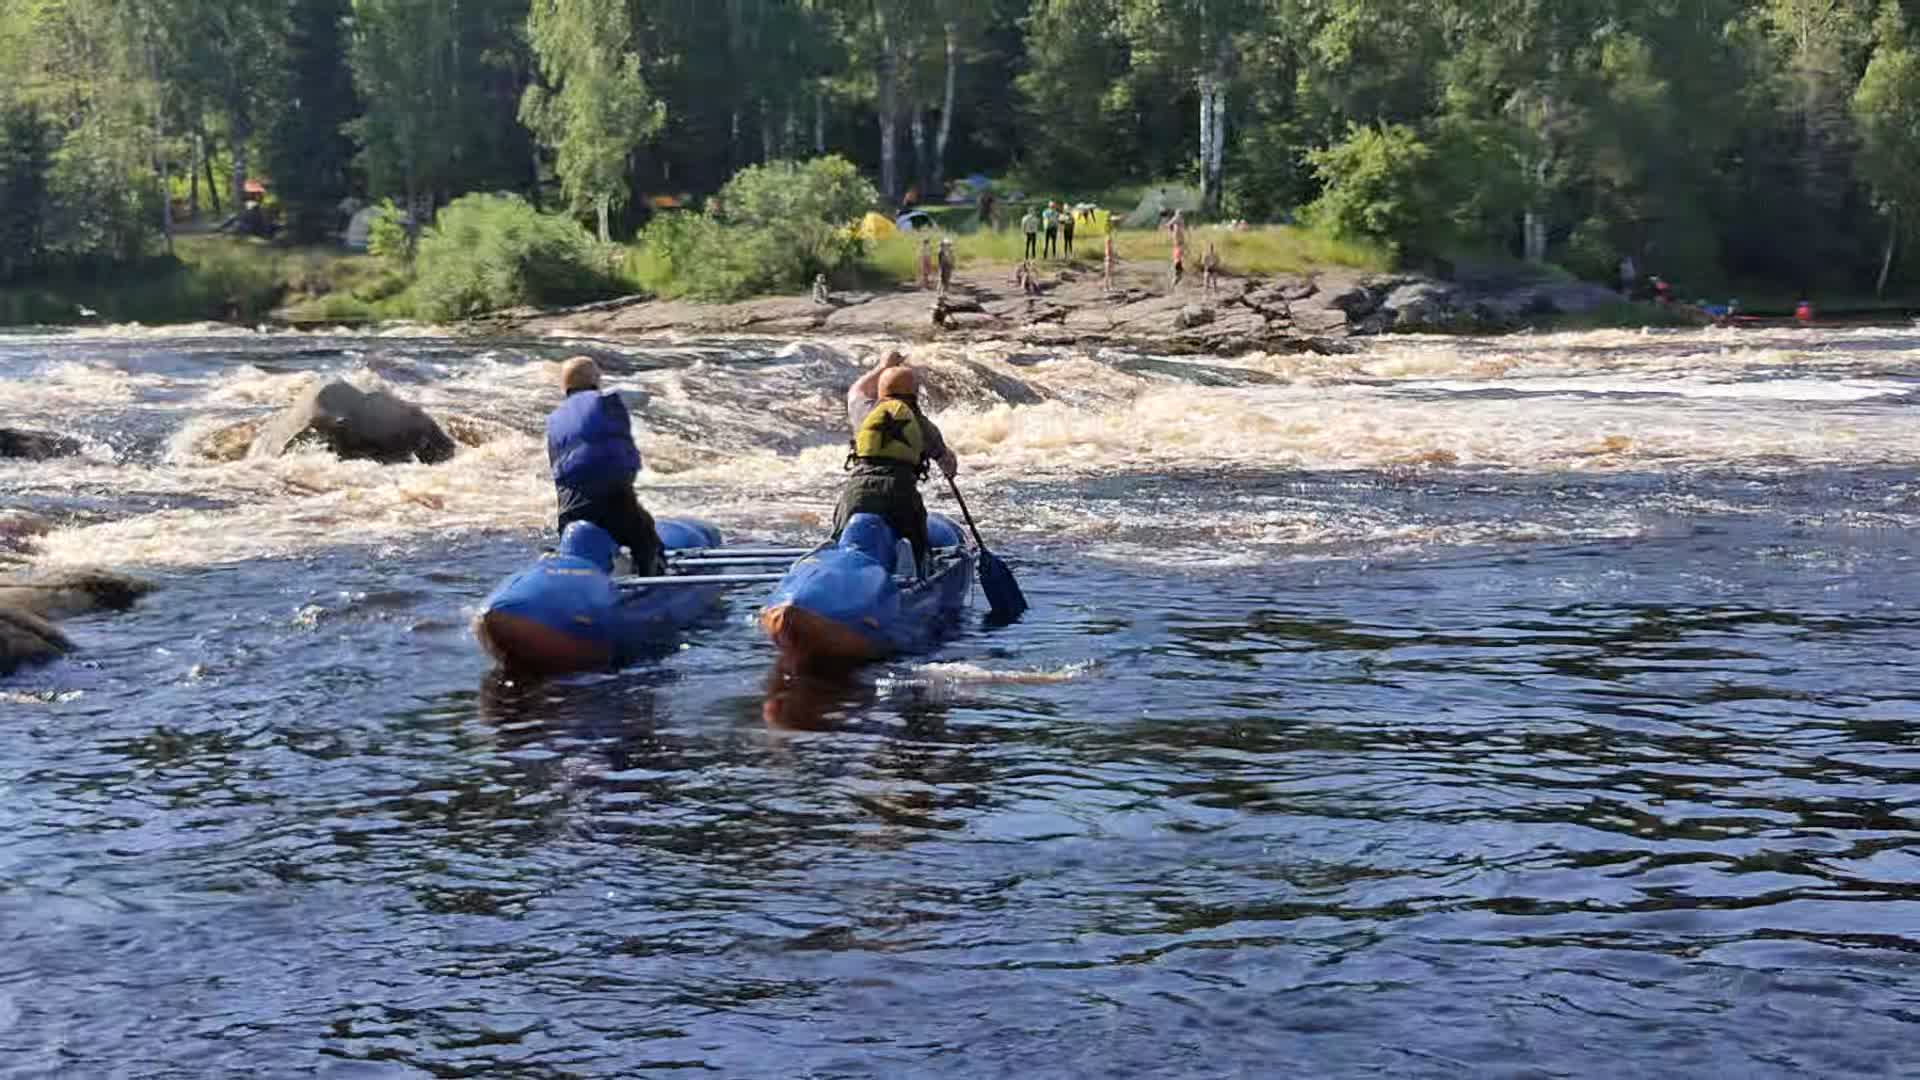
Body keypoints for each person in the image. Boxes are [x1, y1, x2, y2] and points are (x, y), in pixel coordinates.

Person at [836, 352, 959, 573]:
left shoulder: (863, 411)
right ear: (915, 394)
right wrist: (949, 466)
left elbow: (856, 390)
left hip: (856, 491)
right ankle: (914, 572)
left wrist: (883, 366)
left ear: (882, 392)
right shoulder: (924, 427)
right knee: (918, 552)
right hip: (900, 494)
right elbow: (947, 463)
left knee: (838, 541)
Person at [546, 356, 662, 576]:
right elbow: (644, 398)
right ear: (595, 380)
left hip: (568, 508)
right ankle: (652, 579)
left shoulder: (553, 420)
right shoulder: (610, 399)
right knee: (645, 535)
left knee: (578, 542)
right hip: (612, 501)